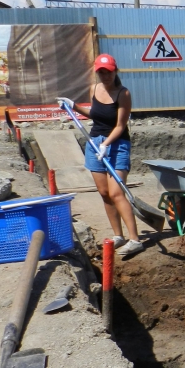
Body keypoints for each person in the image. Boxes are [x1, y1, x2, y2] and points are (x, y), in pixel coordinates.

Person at [57, 54, 143, 256]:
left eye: (108, 71)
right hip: (94, 143)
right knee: (104, 193)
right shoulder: (94, 89)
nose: (105, 75)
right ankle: (118, 236)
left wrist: (106, 144)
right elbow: (95, 115)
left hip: (117, 144)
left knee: (116, 192)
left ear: (115, 71)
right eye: (101, 72)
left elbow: (120, 126)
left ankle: (135, 239)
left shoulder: (123, 93)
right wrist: (74, 106)